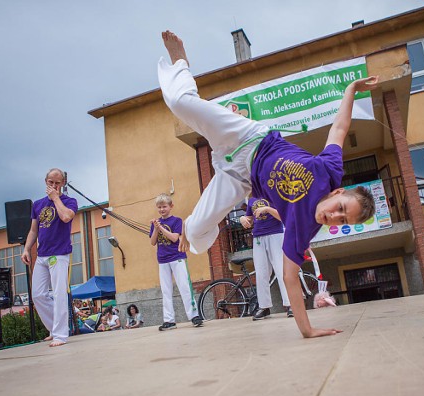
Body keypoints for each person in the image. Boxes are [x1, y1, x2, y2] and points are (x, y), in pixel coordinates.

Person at [158, 31, 377, 338]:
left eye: (343, 221)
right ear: (338, 193)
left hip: (240, 179)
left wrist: (308, 330)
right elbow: (340, 127)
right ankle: (180, 62)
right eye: (341, 208)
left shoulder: (303, 229)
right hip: (247, 137)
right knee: (180, 102)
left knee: (192, 233)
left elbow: (289, 278)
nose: (335, 217)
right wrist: (351, 89)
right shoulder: (329, 170)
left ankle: (203, 225)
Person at [21, 168, 78, 347]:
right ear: (45, 181)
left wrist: (56, 198)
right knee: (37, 294)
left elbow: (66, 217)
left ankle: (60, 335)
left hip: (59, 254)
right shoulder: (37, 204)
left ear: (62, 183)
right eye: (50, 182)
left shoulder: (70, 201)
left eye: (57, 183)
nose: (53, 185)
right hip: (42, 254)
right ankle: (54, 329)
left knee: (60, 293)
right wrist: (26, 249)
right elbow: (33, 230)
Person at [149, 193, 203, 331]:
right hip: (162, 260)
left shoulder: (177, 221)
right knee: (166, 291)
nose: (162, 209)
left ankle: (194, 316)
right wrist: (156, 228)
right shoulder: (155, 224)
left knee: (185, 287)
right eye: (159, 207)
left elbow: (174, 238)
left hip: (177, 257)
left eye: (164, 206)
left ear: (171, 206)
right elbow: (152, 241)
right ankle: (169, 320)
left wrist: (160, 227)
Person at [240, 197, 292, 320]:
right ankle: (264, 307)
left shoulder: (273, 193)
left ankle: (290, 304)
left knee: (281, 270)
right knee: (261, 273)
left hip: (276, 234)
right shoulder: (252, 199)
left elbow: (284, 216)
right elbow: (250, 219)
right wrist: (243, 219)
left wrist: (267, 209)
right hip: (258, 237)